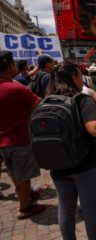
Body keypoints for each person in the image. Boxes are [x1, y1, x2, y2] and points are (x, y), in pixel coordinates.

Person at [47, 61, 96, 239]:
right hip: (85, 165)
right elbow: (94, 129)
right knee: (90, 210)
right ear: (74, 77)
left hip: (58, 165)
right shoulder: (82, 99)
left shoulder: (48, 100)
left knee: (66, 209)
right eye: (80, 75)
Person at [0, 51, 46, 220]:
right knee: (24, 176)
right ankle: (24, 207)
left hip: (3, 142)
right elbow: (39, 105)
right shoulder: (15, 88)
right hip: (20, 139)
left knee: (15, 173)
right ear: (9, 67)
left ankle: (25, 198)